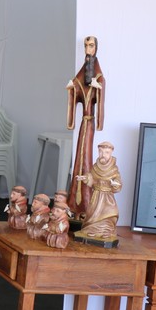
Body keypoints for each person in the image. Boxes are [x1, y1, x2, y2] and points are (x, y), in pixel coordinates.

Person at [66, 35, 105, 220]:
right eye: (85, 46)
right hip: (84, 124)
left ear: (96, 48)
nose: (88, 50)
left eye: (91, 46)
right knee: (79, 159)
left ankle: (85, 205)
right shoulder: (82, 76)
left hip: (89, 124)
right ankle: (75, 204)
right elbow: (76, 85)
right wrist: (72, 88)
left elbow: (101, 88)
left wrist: (99, 87)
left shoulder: (98, 76)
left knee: (86, 158)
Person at [76, 141, 122, 243]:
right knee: (93, 215)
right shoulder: (95, 167)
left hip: (108, 198)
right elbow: (92, 178)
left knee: (109, 215)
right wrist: (85, 178)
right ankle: (91, 230)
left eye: (106, 152)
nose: (103, 155)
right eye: (100, 152)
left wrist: (115, 184)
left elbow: (118, 183)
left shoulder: (114, 169)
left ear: (111, 153)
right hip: (96, 196)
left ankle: (107, 231)